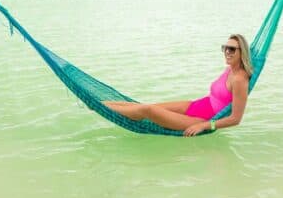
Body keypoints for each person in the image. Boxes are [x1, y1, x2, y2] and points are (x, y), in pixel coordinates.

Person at [103, 34, 252, 137]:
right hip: (195, 106)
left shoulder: (239, 80)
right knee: (143, 106)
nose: (227, 52)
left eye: (232, 49)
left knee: (146, 110)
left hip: (202, 120)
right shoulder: (230, 68)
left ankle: (101, 107)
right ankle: (102, 103)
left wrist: (204, 126)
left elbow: (235, 119)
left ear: (242, 52)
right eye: (225, 47)